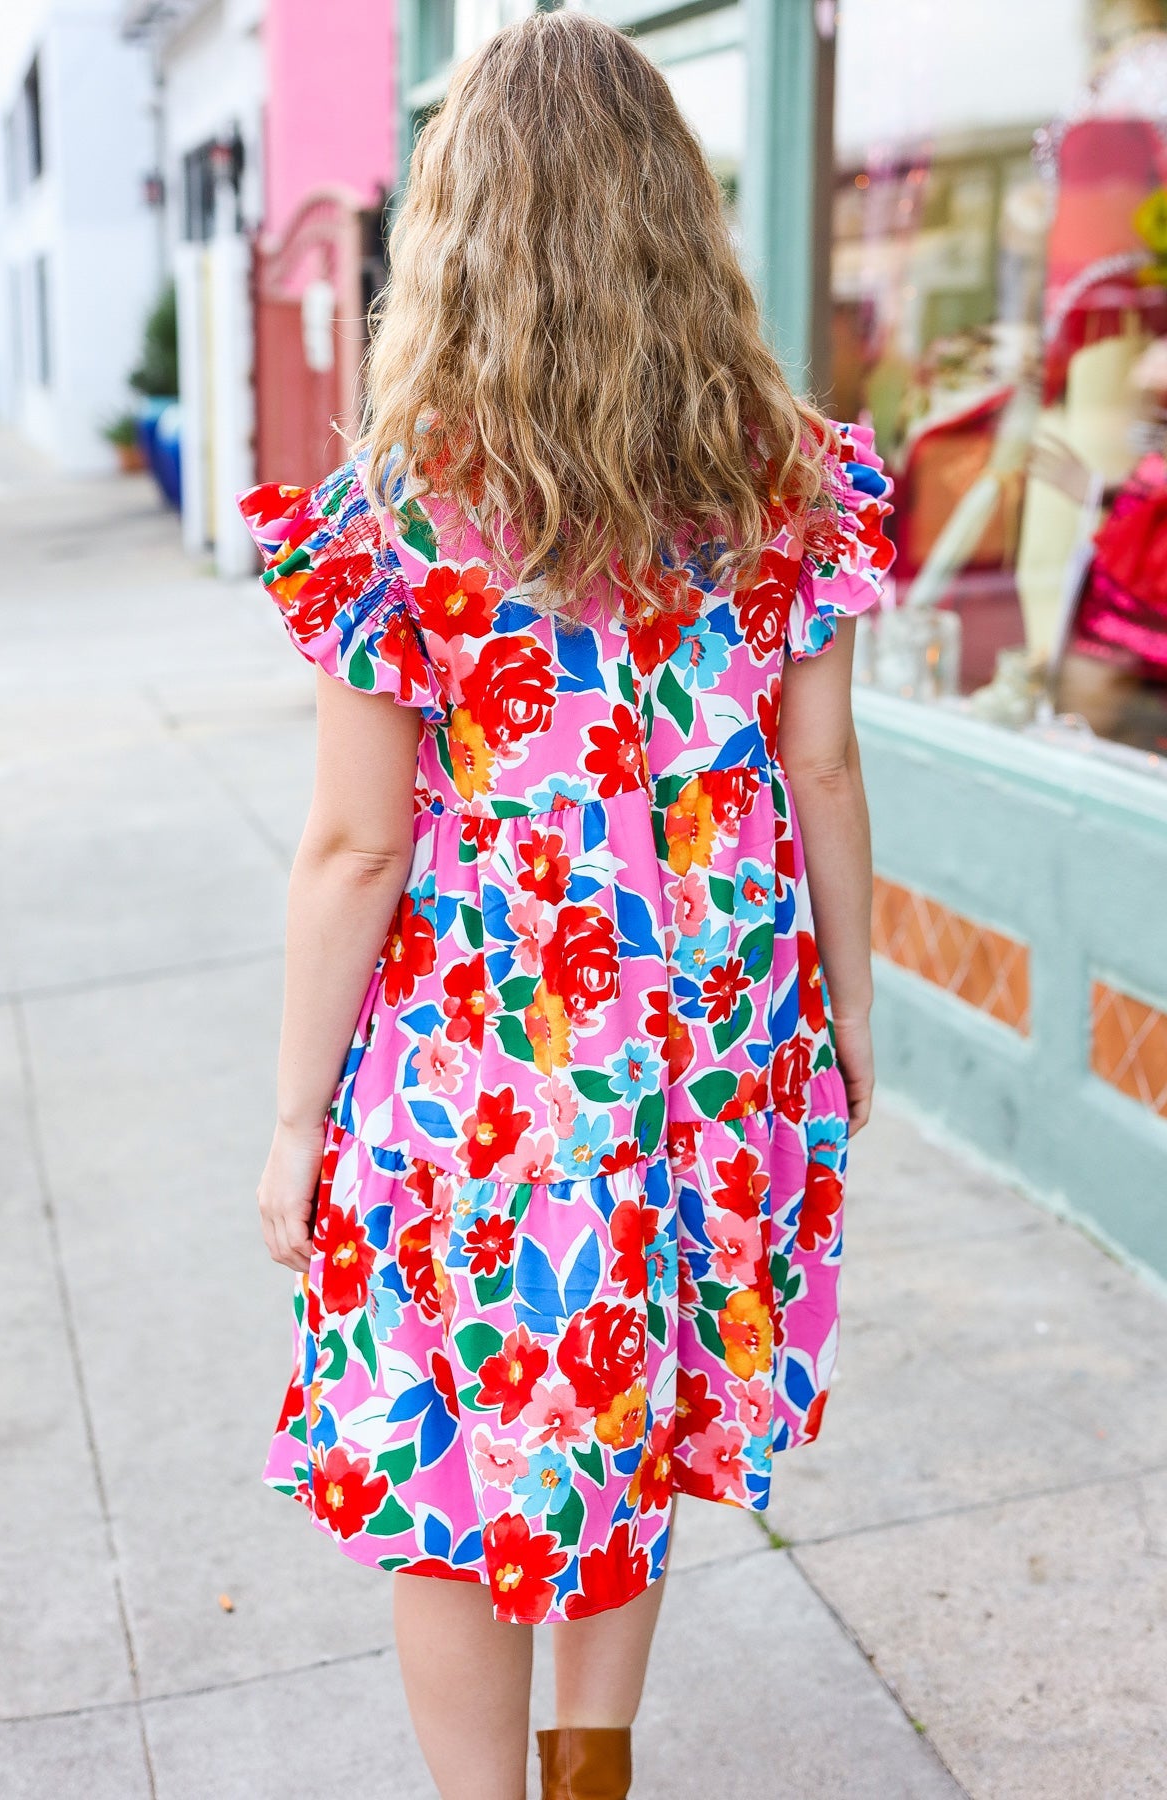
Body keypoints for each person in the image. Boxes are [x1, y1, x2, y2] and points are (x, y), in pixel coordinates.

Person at [240, 14, 893, 1799]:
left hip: (484, 1064)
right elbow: (823, 774)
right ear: (679, 215)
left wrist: (299, 1122)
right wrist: (843, 1020)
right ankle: (592, 1776)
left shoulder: (397, 514)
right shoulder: (787, 483)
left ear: (456, 229)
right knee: (633, 1405)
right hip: (708, 1043)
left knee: (463, 1473)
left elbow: (356, 849)